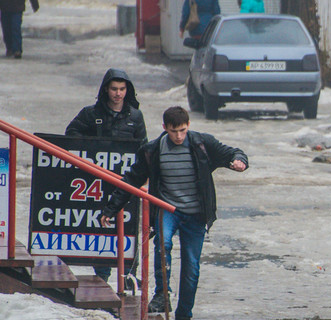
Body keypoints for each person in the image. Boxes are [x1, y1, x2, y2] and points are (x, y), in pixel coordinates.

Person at [100, 106, 248, 320]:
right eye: (173, 131)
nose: (179, 136)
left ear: (188, 126)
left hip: (196, 214)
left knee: (191, 267)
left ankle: (184, 314)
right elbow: (132, 179)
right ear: (164, 128)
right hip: (168, 209)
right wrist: (112, 208)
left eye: (182, 130)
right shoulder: (153, 150)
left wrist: (240, 161)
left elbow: (232, 152)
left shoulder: (201, 144)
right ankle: (162, 294)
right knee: (163, 244)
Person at [65, 68, 147, 290]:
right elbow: (71, 134)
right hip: (96, 183)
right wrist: (90, 152)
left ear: (127, 90)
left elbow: (144, 148)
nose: (118, 93)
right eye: (114, 89)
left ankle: (127, 277)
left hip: (125, 183)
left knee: (128, 229)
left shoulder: (135, 116)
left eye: (122, 89)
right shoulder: (90, 113)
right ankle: (102, 280)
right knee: (99, 227)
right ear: (106, 90)